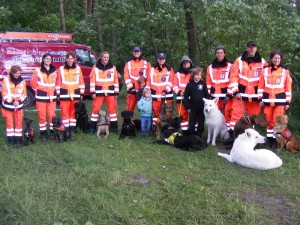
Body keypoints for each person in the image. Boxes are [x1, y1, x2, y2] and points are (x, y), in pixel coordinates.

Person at [227, 41, 268, 140]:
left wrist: (262, 96)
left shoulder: (263, 62)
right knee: (236, 116)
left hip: (255, 97)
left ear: (256, 48)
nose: (252, 49)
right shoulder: (239, 61)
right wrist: (235, 91)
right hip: (240, 95)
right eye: (250, 47)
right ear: (247, 48)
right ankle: (233, 138)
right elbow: (233, 77)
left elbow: (266, 79)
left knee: (254, 119)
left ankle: (252, 140)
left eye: (253, 47)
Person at [258, 50, 292, 149]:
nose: (276, 60)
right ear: (271, 59)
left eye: (278, 58)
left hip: (280, 101)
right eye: (275, 58)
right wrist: (260, 99)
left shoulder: (285, 71)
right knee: (268, 121)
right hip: (267, 100)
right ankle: (270, 141)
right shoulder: (264, 70)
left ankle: (277, 143)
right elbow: (261, 86)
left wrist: (287, 101)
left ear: (281, 59)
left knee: (277, 122)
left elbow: (288, 88)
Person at [89, 51, 119, 134]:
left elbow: (116, 80)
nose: (106, 58)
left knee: (112, 111)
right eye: (104, 57)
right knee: (95, 110)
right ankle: (92, 128)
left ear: (109, 58)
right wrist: (93, 92)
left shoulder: (113, 67)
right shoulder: (95, 67)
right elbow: (92, 81)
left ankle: (114, 128)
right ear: (101, 57)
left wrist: (116, 92)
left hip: (110, 92)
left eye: (107, 57)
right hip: (98, 92)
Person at [56, 52, 85, 139]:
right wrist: (58, 93)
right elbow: (58, 82)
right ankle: (66, 130)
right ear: (66, 59)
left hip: (75, 93)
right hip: (64, 93)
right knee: (65, 113)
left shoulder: (78, 69)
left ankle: (72, 130)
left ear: (74, 59)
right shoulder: (61, 69)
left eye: (71, 58)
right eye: (68, 58)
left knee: (73, 112)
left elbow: (81, 82)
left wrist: (82, 93)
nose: (70, 60)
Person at [30, 53, 58, 141]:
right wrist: (41, 90)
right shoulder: (37, 71)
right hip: (41, 97)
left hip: (51, 97)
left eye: (50, 59)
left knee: (52, 115)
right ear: (43, 59)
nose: (48, 60)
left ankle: (52, 131)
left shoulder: (55, 71)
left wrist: (55, 92)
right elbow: (33, 84)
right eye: (46, 58)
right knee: (42, 116)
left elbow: (57, 83)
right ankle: (43, 133)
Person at [206, 45, 233, 131]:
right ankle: (216, 134)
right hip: (214, 97)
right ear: (215, 54)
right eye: (217, 53)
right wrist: (208, 95)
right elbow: (208, 82)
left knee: (227, 115)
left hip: (226, 96)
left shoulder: (230, 66)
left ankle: (227, 134)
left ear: (224, 54)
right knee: (215, 116)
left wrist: (229, 95)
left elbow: (232, 81)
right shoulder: (210, 67)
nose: (219, 54)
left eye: (221, 53)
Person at [145, 52, 174, 126]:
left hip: (166, 95)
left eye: (163, 59)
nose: (161, 60)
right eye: (160, 59)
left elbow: (171, 82)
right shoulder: (151, 69)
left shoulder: (169, 69)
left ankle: (168, 128)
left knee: (168, 112)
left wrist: (166, 90)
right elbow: (148, 81)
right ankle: (156, 128)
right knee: (156, 112)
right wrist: (148, 91)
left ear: (165, 59)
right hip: (155, 95)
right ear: (157, 59)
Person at [1, 65, 27, 146]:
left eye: (18, 73)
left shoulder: (22, 81)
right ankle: (11, 140)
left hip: (18, 106)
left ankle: (18, 140)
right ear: (11, 72)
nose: (17, 75)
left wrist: (18, 101)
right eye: (15, 73)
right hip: (8, 106)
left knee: (19, 123)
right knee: (9, 123)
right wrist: (12, 102)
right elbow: (4, 94)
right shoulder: (5, 80)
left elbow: (24, 94)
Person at [124, 46, 151, 112]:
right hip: (132, 91)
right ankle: (128, 122)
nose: (136, 53)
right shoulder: (128, 63)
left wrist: (146, 87)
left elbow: (149, 76)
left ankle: (144, 122)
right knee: (129, 109)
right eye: (135, 52)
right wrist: (130, 87)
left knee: (145, 109)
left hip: (143, 91)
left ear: (140, 52)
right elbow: (126, 76)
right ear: (133, 53)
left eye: (138, 52)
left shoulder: (146, 62)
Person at [183, 67, 209, 137]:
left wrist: (207, 105)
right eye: (197, 75)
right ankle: (192, 136)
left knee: (200, 122)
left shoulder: (203, 84)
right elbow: (186, 97)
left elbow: (207, 95)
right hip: (192, 107)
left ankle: (199, 136)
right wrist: (187, 107)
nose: (198, 77)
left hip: (202, 107)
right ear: (193, 75)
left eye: (200, 75)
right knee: (191, 122)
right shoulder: (189, 85)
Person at [172, 55, 193, 135]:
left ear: (190, 63)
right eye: (183, 63)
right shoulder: (177, 74)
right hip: (180, 99)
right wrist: (179, 91)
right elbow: (174, 85)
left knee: (193, 116)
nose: (185, 64)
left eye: (187, 63)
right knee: (182, 116)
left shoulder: (194, 73)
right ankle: (185, 132)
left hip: (191, 99)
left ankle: (193, 132)